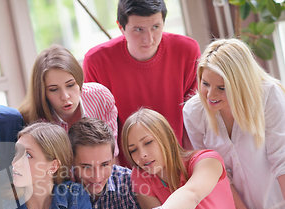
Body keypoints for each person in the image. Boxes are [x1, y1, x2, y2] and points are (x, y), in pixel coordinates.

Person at [184, 38, 285, 209]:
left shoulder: (268, 95)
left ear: (240, 84)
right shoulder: (194, 112)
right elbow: (216, 175)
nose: (210, 95)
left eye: (221, 88)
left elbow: (282, 161)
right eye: (205, 84)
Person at [83, 0, 200, 166]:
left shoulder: (187, 51)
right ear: (121, 27)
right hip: (129, 171)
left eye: (156, 27)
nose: (149, 39)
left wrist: (191, 166)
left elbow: (194, 120)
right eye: (139, 30)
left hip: (180, 162)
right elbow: (100, 133)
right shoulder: (96, 62)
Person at [122, 108, 242, 209]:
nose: (142, 154)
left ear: (169, 138)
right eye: (133, 150)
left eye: (148, 142)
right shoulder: (140, 178)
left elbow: (192, 194)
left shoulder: (208, 160)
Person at [19, 44, 119, 157]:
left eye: (70, 85)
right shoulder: (33, 120)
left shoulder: (101, 97)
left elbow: (111, 156)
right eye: (54, 89)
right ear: (43, 93)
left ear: (79, 81)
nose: (65, 96)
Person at [68, 118, 143, 209]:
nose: (97, 177)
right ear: (71, 161)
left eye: (104, 165)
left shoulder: (128, 182)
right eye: (87, 167)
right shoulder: (64, 193)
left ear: (113, 158)